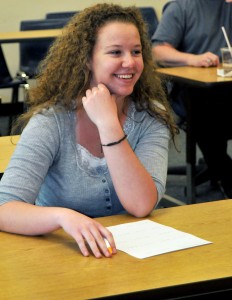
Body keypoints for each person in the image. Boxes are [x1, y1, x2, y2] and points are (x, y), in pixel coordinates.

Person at [0, 3, 178, 258]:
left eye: (136, 51)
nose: (129, 62)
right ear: (86, 59)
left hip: (128, 254)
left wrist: (108, 125)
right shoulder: (51, 122)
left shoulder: (150, 116)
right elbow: (4, 207)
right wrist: (63, 217)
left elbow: (140, 205)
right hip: (59, 253)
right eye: (115, 52)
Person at [152, 0, 232, 198]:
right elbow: (158, 51)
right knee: (209, 117)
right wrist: (192, 59)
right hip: (195, 93)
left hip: (227, 88)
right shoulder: (181, 7)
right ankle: (226, 173)